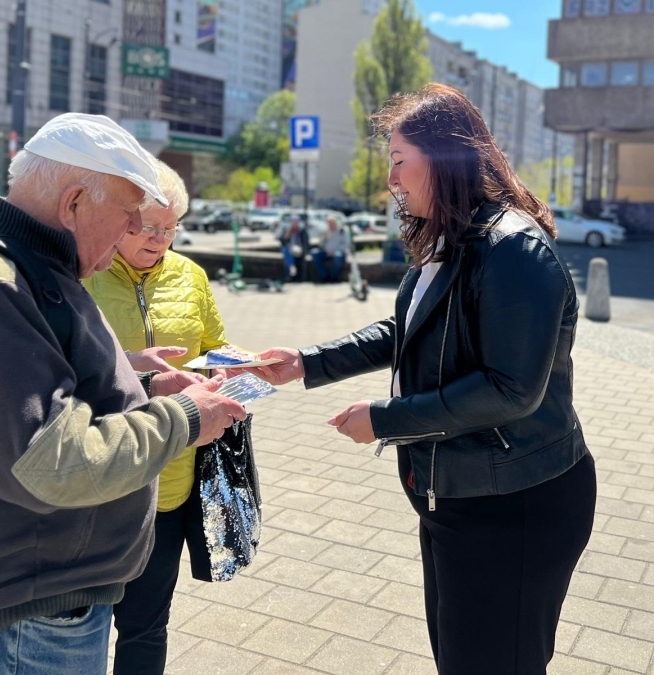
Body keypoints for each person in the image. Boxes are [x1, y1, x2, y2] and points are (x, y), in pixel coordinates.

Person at [247, 84, 595, 675]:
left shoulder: (512, 249)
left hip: (513, 506)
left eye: (398, 160)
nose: (391, 180)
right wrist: (307, 361)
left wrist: (385, 420)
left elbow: (511, 389)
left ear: (444, 157)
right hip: (457, 498)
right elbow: (405, 328)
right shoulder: (453, 237)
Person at [0, 113, 246, 675]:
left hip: (37, 603)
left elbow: (43, 399)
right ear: (75, 202)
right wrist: (183, 417)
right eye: (129, 216)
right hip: (19, 620)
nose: (134, 233)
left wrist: (147, 387)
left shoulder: (26, 266)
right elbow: (48, 461)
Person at [83, 157, 229, 675]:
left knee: (147, 625)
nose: (160, 239)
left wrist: (228, 369)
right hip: (98, 484)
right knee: (81, 626)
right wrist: (135, 370)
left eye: (171, 228)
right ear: (121, 219)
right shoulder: (83, 273)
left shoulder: (191, 276)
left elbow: (214, 346)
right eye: (149, 226)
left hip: (171, 479)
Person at [312, 215, 348, 283]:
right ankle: (325, 276)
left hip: (338, 252)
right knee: (314, 253)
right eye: (329, 223)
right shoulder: (326, 232)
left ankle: (334, 277)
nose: (331, 225)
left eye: (332, 223)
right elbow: (321, 245)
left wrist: (334, 251)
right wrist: (324, 238)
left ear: (336, 223)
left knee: (338, 256)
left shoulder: (342, 231)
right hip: (326, 252)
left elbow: (346, 244)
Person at [276, 213, 309, 282]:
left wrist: (305, 251)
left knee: (287, 252)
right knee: (286, 250)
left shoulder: (302, 231)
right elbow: (281, 241)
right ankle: (292, 268)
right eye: (293, 222)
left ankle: (290, 273)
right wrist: (286, 237)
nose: (294, 224)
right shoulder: (287, 230)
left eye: (295, 222)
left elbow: (305, 242)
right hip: (290, 249)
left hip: (299, 249)